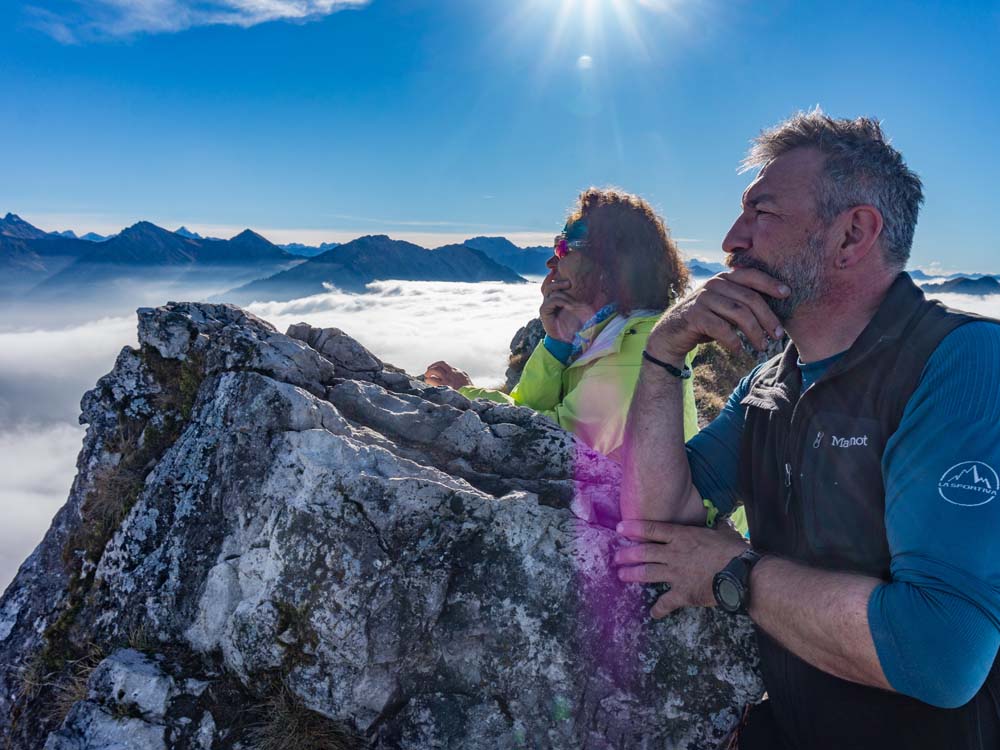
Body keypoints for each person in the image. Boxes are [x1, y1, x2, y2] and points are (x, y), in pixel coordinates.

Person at [614, 110, 1000, 749]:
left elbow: (940, 653)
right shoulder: (772, 381)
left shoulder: (962, 364)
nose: (732, 239)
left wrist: (735, 573)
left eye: (761, 213)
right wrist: (664, 351)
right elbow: (658, 523)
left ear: (852, 235)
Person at [424, 187, 699, 460]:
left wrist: (465, 394)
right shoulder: (600, 332)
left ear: (609, 266)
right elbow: (529, 407)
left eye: (564, 247)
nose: (551, 261)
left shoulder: (643, 347)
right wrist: (556, 344)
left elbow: (554, 444)